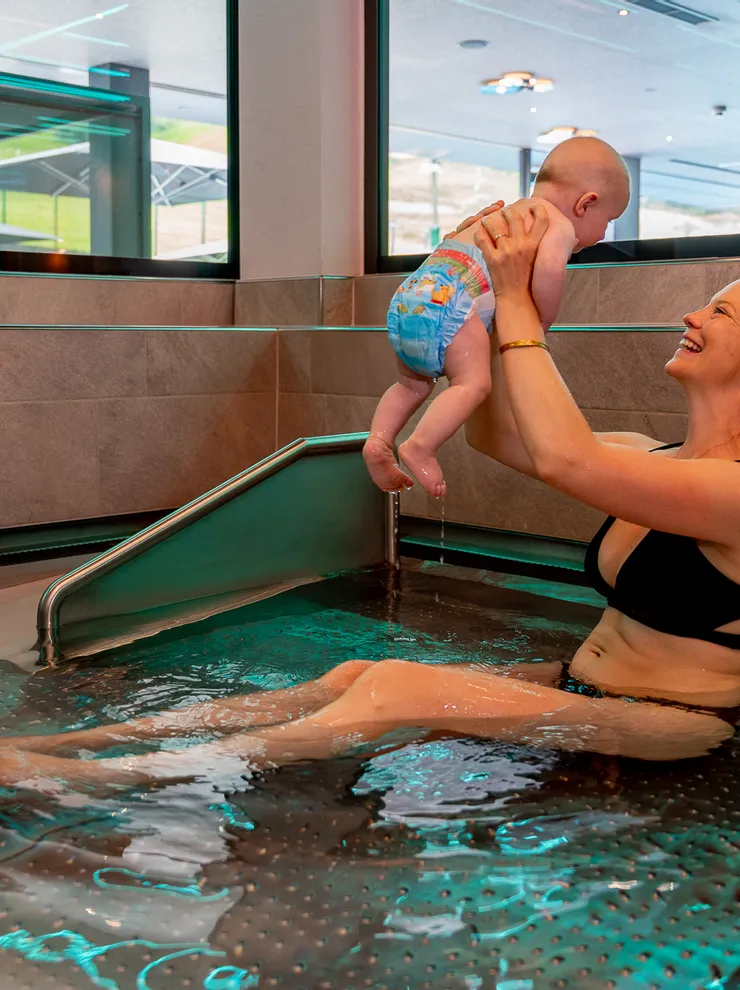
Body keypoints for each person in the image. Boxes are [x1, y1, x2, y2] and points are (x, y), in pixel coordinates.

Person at [1, 203, 739, 793]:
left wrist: (518, 298)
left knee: (391, 684)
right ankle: (74, 741)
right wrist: (477, 298)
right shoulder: (653, 459)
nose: (692, 318)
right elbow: (503, 438)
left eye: (722, 313)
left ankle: (88, 780)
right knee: (351, 676)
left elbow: (566, 457)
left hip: (674, 719)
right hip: (581, 683)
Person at [362, 136, 630, 498]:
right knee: (471, 385)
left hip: (410, 297)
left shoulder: (498, 215)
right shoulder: (555, 222)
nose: (601, 236)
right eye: (608, 221)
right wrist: (541, 321)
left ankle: (379, 440)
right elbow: (550, 271)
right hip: (452, 305)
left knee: (411, 385)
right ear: (586, 203)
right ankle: (421, 445)